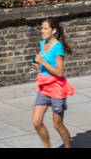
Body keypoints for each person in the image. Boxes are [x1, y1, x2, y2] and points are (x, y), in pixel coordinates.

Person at [32, 18, 74, 149]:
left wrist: (43, 62)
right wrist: (37, 65)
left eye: (45, 28)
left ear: (53, 30)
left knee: (57, 124)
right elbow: (43, 67)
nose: (42, 31)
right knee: (36, 122)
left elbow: (60, 73)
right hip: (44, 87)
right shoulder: (42, 44)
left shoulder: (58, 47)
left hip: (57, 88)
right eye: (42, 28)